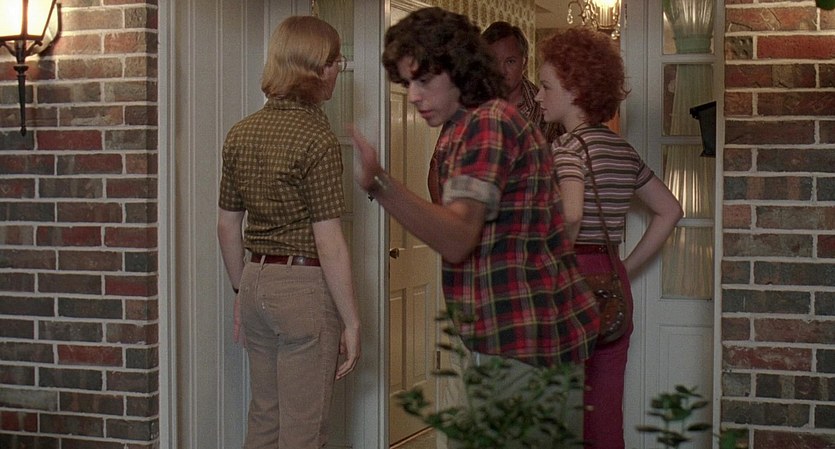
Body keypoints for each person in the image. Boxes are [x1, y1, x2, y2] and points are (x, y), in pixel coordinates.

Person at [351, 7, 599, 446]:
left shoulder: (488, 123)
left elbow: (457, 236)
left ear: (459, 70)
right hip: (509, 338)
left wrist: (380, 184)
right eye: (408, 84)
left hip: (527, 341)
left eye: (424, 81)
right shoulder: (464, 128)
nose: (413, 96)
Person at [535, 27, 684, 449]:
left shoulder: (566, 149)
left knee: (557, 414)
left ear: (576, 90)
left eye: (546, 87)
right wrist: (623, 268)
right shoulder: (622, 151)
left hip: (570, 281)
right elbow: (670, 210)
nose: (539, 97)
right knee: (603, 415)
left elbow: (572, 214)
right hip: (612, 285)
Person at [216, 15, 361, 449]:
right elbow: (328, 241)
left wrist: (242, 290)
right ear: (315, 68)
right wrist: (352, 321)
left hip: (255, 282)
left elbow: (227, 225)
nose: (339, 70)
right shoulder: (317, 138)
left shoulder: (240, 133)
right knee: (303, 431)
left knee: (265, 419)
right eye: (335, 61)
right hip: (303, 289)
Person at [427, 20, 561, 204]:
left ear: (524, 63)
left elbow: (560, 174)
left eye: (510, 61)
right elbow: (437, 167)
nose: (501, 71)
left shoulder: (545, 107)